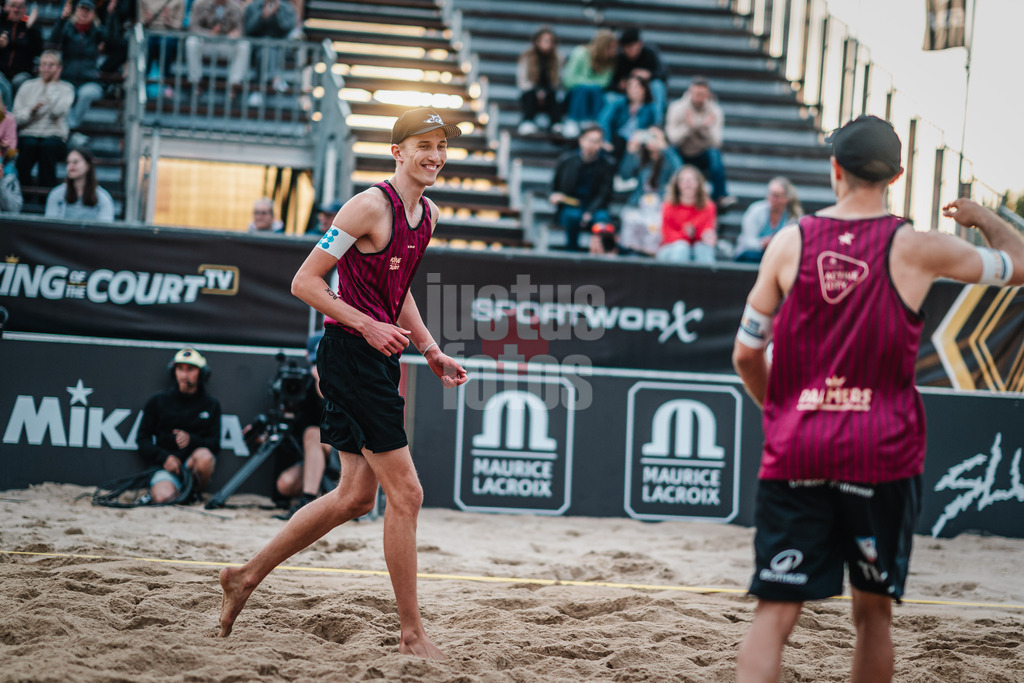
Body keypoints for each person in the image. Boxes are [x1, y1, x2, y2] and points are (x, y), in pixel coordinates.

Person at [731, 115, 1024, 683]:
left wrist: (782, 414)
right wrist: (984, 216)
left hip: (800, 447)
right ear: (897, 175)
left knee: (774, 613)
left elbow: (746, 355)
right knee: (873, 616)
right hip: (881, 453)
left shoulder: (788, 243)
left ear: (834, 169)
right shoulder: (919, 247)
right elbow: (1020, 265)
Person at [217, 107, 469, 660]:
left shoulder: (425, 216)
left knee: (355, 496)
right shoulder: (367, 205)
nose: (434, 155)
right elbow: (303, 282)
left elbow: (396, 290)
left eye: (441, 146)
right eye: (422, 145)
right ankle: (411, 635)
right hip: (349, 351)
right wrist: (365, 322)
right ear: (397, 152)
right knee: (407, 494)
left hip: (378, 353)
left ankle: (245, 575)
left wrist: (429, 348)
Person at [138, 347, 222, 504]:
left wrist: (192, 440)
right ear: (173, 371)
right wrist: (165, 458)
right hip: (165, 468)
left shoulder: (211, 404)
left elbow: (215, 444)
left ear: (201, 373)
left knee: (204, 456)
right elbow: (143, 439)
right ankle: (175, 494)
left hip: (192, 466)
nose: (185, 374)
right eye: (180, 369)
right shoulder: (157, 401)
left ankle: (194, 492)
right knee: (163, 498)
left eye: (190, 369)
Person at [268, 332, 333, 520]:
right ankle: (321, 495)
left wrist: (324, 384)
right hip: (316, 454)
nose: (319, 366)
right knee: (285, 484)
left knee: (313, 434)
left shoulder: (345, 378)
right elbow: (296, 425)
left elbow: (341, 412)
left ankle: (308, 500)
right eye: (315, 362)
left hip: (346, 447)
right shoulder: (304, 383)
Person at [665, 77, 733, 207]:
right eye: (695, 94)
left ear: (708, 95)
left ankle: (720, 197)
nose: (698, 98)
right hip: (681, 152)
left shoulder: (715, 111)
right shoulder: (677, 108)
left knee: (715, 154)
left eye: (702, 95)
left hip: (702, 153)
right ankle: (677, 193)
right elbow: (672, 139)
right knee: (669, 150)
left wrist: (703, 129)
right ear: (689, 93)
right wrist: (689, 127)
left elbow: (716, 142)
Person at [548, 124, 615, 251]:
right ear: (581, 140)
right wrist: (554, 196)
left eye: (597, 141)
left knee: (602, 220)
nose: (592, 145)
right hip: (571, 206)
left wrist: (589, 212)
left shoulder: (607, 164)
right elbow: (553, 187)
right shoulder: (567, 161)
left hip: (595, 208)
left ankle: (600, 255)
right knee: (572, 217)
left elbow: (605, 193)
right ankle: (572, 252)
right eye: (590, 140)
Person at [13, 50, 73, 188]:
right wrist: (31, 111)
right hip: (29, 133)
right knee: (29, 146)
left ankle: (46, 194)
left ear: (59, 68)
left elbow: (57, 112)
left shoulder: (66, 89)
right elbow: (16, 116)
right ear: (39, 67)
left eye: (51, 65)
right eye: (44, 64)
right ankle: (23, 190)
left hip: (54, 136)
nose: (46, 68)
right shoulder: (27, 86)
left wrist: (52, 85)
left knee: (47, 147)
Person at [49, 0, 106, 133]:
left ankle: (70, 128)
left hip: (90, 80)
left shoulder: (96, 32)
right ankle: (70, 130)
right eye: (81, 9)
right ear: (75, 11)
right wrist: (62, 19)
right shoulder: (68, 28)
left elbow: (111, 38)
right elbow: (53, 40)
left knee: (86, 94)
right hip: (67, 78)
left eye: (88, 11)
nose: (84, 13)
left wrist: (102, 19)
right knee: (66, 92)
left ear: (93, 14)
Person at [185, 0, 250, 96]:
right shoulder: (199, 4)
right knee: (191, 42)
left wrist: (236, 33)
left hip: (226, 44)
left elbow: (240, 29)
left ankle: (234, 84)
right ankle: (195, 81)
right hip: (206, 43)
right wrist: (209, 34)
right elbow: (193, 28)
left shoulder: (235, 7)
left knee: (244, 45)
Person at [560, 28, 616, 139]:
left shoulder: (610, 61)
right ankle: (574, 120)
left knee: (595, 90)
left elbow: (605, 82)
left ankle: (593, 122)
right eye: (611, 48)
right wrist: (587, 84)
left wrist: (588, 84)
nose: (613, 51)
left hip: (595, 94)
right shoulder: (580, 53)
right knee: (583, 89)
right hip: (575, 93)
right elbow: (569, 80)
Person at [607, 27, 668, 125]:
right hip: (626, 96)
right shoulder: (620, 58)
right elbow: (610, 84)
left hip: (646, 95)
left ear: (640, 44)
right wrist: (620, 86)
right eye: (625, 47)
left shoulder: (649, 53)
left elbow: (664, 74)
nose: (628, 50)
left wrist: (649, 75)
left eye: (631, 46)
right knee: (611, 98)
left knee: (657, 86)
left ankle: (658, 123)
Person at [734, 176, 803, 263]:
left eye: (776, 196)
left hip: (778, 256)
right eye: (770, 194)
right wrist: (762, 244)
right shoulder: (756, 210)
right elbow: (747, 241)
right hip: (753, 254)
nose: (772, 198)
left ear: (786, 199)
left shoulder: (793, 218)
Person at [657, 165, 717, 263]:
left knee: (703, 249)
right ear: (677, 185)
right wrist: (688, 235)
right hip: (670, 249)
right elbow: (667, 236)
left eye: (691, 180)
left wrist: (708, 237)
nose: (687, 184)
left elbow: (706, 231)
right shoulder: (668, 206)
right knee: (681, 248)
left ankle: (707, 278)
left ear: (698, 184)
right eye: (683, 181)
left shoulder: (708, 207)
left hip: (696, 248)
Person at [597, 73, 657, 164]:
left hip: (637, 141)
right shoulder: (618, 102)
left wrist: (640, 138)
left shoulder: (650, 108)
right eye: (630, 87)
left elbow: (653, 128)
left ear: (644, 89)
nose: (633, 90)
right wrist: (606, 139)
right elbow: (604, 120)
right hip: (617, 139)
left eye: (637, 87)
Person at [616, 126, 681, 207]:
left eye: (654, 137)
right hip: (639, 203)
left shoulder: (669, 157)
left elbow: (679, 172)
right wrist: (630, 152)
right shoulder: (640, 156)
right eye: (648, 135)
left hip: (662, 203)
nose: (650, 140)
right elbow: (625, 175)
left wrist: (664, 147)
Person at [44, 146, 114, 221]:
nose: (70, 167)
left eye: (75, 162)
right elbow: (50, 225)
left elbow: (105, 227)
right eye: (68, 163)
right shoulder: (56, 194)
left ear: (88, 165)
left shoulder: (103, 197)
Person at [516, 26, 562, 135]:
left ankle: (556, 123)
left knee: (553, 95)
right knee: (530, 95)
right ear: (537, 41)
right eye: (545, 41)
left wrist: (545, 92)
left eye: (550, 41)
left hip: (549, 91)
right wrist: (537, 91)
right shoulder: (526, 57)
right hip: (530, 90)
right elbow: (522, 81)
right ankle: (527, 121)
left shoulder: (558, 58)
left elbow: (558, 81)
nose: (548, 44)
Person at [0, 0, 43, 110]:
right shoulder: (2, 23)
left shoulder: (31, 26)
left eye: (20, 6)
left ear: (25, 9)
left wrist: (30, 28)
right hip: (1, 71)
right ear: (5, 7)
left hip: (22, 72)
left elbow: (38, 51)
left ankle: (12, 117)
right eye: (13, 6)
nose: (16, 9)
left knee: (19, 82)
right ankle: (8, 117)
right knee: (3, 84)